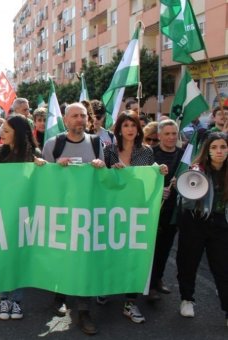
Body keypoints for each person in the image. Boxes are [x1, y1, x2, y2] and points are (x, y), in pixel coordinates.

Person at [42, 102, 106, 335]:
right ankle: (59, 295)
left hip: (88, 213)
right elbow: (41, 179)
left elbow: (110, 177)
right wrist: (55, 168)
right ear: (66, 121)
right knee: (61, 255)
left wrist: (102, 166)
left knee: (84, 261)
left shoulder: (99, 143)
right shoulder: (53, 144)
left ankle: (83, 310)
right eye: (74, 116)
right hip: (60, 212)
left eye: (82, 116)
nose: (79, 119)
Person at [102, 112, 168, 324]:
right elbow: (102, 181)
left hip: (137, 212)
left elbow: (149, 179)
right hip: (113, 211)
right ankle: (106, 287)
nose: (130, 129)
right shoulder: (109, 151)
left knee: (134, 254)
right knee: (111, 250)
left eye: (134, 126)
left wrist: (160, 172)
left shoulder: (146, 152)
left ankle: (130, 302)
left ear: (139, 130)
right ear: (119, 129)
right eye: (126, 125)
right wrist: (111, 170)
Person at [0, 115, 46, 320]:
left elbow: (41, 185)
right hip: (2, 214)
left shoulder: (34, 155)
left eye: (6, 131)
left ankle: (17, 301)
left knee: (20, 257)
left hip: (25, 216)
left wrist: (42, 168)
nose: (1, 134)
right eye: (2, 130)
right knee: (4, 257)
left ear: (18, 134)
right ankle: (4, 298)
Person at [176, 132, 228, 327]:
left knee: (223, 267)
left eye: (223, 147)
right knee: (188, 261)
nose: (219, 152)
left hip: (221, 223)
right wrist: (193, 179)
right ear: (207, 150)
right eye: (214, 148)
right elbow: (185, 202)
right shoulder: (197, 169)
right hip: (195, 221)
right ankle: (187, 299)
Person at [149, 119, 184, 301]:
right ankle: (149, 283)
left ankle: (158, 279)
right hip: (153, 210)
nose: (171, 137)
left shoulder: (184, 155)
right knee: (151, 248)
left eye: (174, 134)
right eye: (167, 134)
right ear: (159, 135)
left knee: (165, 247)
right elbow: (142, 182)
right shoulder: (150, 154)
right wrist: (157, 191)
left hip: (174, 210)